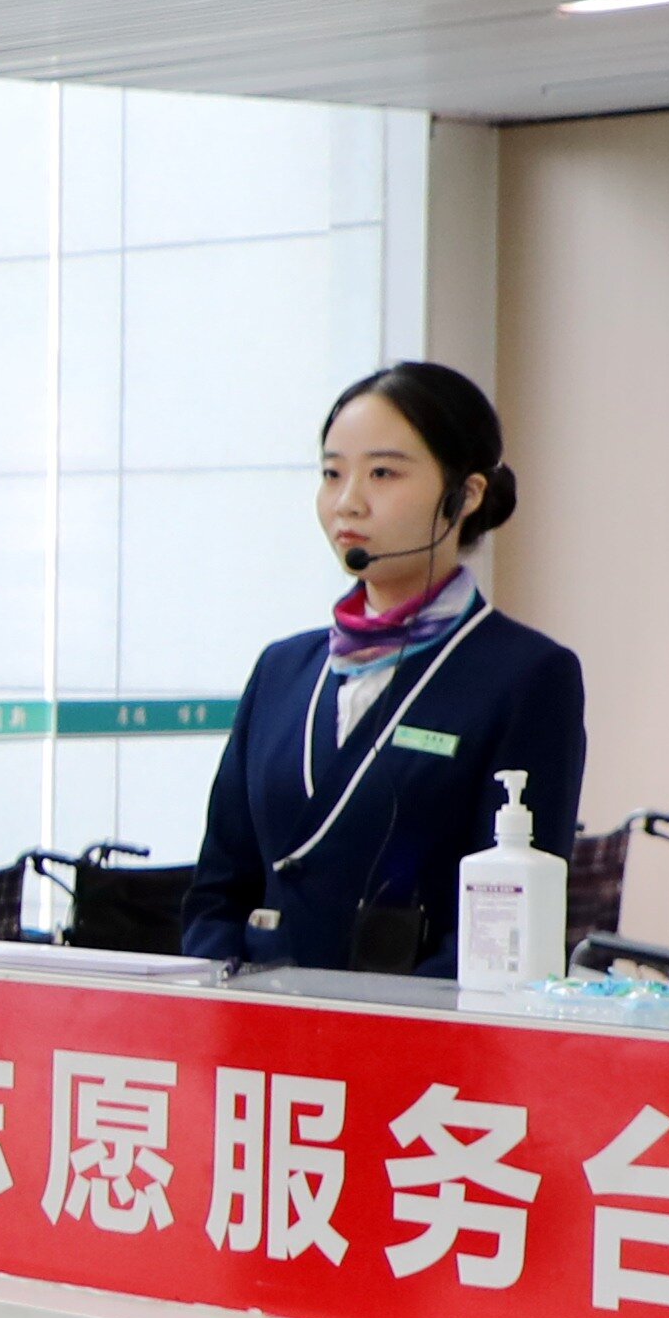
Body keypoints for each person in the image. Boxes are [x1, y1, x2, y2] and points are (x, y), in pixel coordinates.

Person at [173, 362, 587, 976]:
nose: (348, 502)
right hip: (259, 1020)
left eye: (383, 473)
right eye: (332, 473)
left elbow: (509, 923)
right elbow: (217, 890)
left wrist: (387, 1020)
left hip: (415, 1024)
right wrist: (223, 995)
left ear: (466, 494)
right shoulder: (283, 670)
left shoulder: (527, 675)